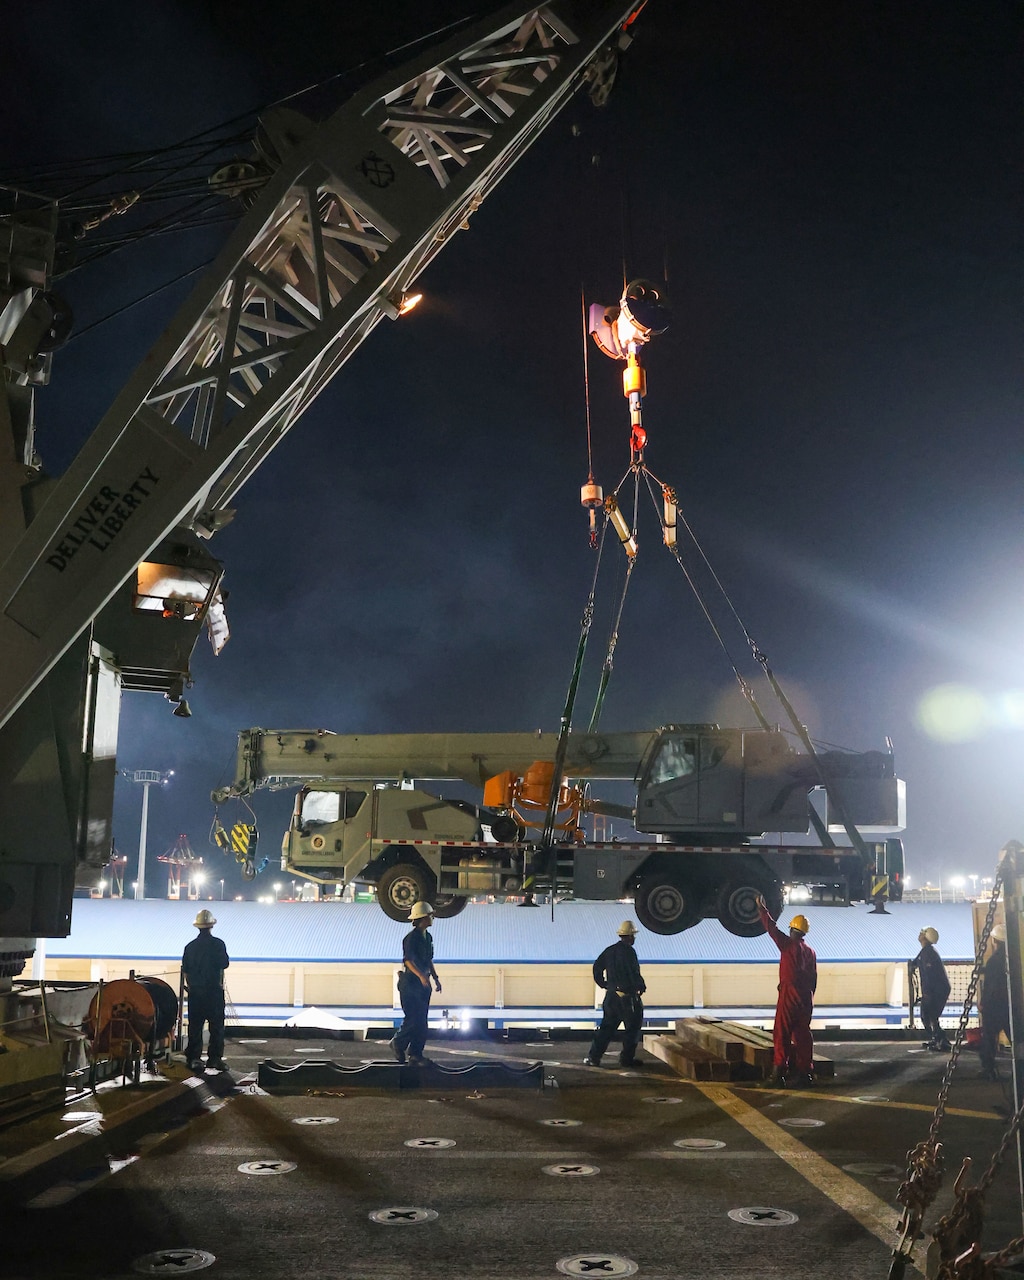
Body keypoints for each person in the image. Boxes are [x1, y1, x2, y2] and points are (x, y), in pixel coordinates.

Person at [757, 897, 817, 1087]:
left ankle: (778, 1075)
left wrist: (762, 910)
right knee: (802, 1035)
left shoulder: (787, 944)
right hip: (806, 998)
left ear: (791, 929)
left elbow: (772, 929)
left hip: (789, 995)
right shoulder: (811, 952)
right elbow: (813, 978)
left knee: (781, 1034)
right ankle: (805, 1074)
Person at [584, 920, 647, 1068]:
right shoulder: (630, 952)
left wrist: (604, 984)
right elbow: (634, 973)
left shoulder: (609, 950)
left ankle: (594, 1058)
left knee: (606, 1029)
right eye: (633, 936)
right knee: (632, 1029)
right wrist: (641, 986)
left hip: (612, 997)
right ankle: (626, 1059)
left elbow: (597, 968)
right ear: (630, 936)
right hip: (628, 998)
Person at [390, 901, 442, 1066]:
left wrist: (435, 978)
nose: (432, 918)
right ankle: (398, 1043)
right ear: (423, 918)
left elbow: (429, 960)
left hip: (422, 984)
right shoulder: (411, 938)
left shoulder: (428, 937)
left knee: (421, 1021)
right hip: (410, 984)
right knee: (413, 1018)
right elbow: (408, 961)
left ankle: (416, 1054)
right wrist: (421, 976)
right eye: (430, 915)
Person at [182, 908, 230, 1072]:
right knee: (216, 1027)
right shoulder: (218, 944)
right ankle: (214, 1059)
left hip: (196, 993)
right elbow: (224, 964)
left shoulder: (190, 947)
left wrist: (192, 986)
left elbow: (186, 970)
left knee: (195, 1027)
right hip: (214, 992)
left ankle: (194, 1058)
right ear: (211, 926)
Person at [911, 926, 951, 1052]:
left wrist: (927, 992)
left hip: (936, 990)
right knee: (930, 1016)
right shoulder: (926, 951)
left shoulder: (928, 953)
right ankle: (937, 1039)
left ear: (926, 937)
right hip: (937, 989)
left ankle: (941, 1040)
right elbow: (917, 962)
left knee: (929, 1016)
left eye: (922, 933)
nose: (920, 934)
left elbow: (929, 975)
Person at [980, 923, 1010, 1080]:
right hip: (1010, 1004)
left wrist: (983, 1003)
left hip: (994, 1006)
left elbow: (990, 986)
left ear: (995, 941)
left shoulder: (993, 961)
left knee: (989, 1038)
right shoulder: (1013, 958)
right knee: (1016, 1036)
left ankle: (989, 1069)